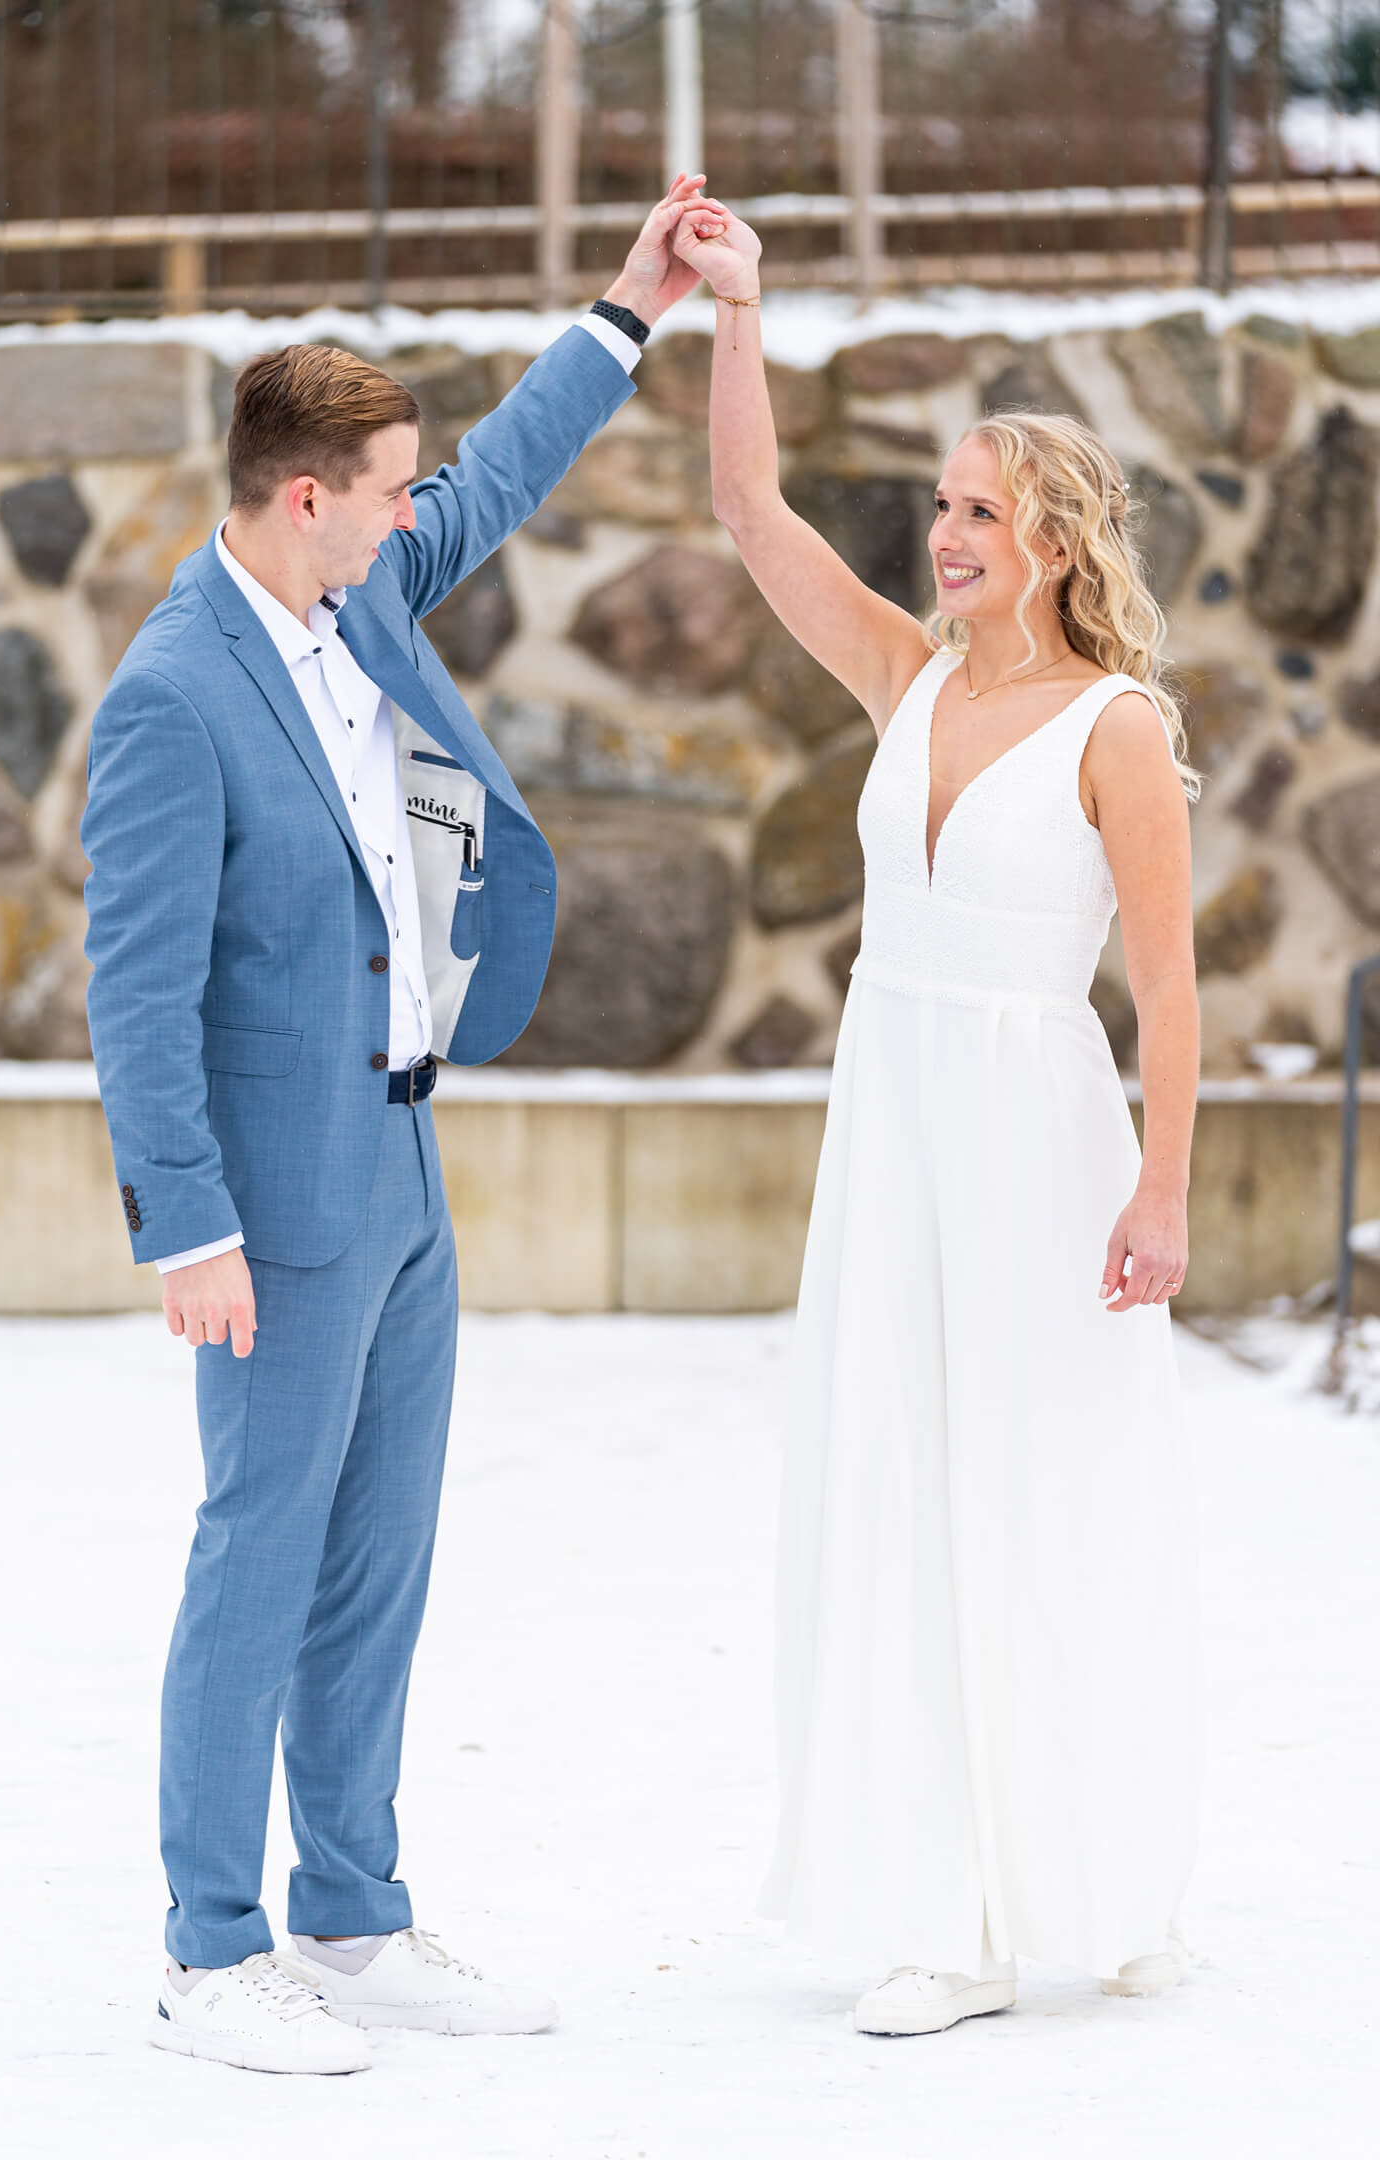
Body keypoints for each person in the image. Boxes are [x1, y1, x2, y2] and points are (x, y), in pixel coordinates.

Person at [82, 175, 725, 2077]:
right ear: (306, 499)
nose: (414, 511)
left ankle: (349, 1915)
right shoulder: (169, 699)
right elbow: (133, 990)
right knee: (259, 1545)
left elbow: (505, 473)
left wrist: (628, 306)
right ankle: (212, 1949)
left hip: (409, 1153)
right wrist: (183, 1224)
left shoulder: (357, 596)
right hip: (273, 1196)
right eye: (389, 487)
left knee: (382, 1552)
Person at [673, 203, 1202, 2036]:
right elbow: (753, 512)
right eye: (944, 505)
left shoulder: (1116, 730)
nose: (947, 532)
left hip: (1032, 1135)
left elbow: (1172, 986)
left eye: (982, 509)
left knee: (1027, 1483)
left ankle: (1040, 1892)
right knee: (896, 1471)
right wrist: (738, 311)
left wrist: (1166, 1192)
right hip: (889, 1112)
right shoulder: (905, 679)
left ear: (1053, 541)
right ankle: (938, 1892)